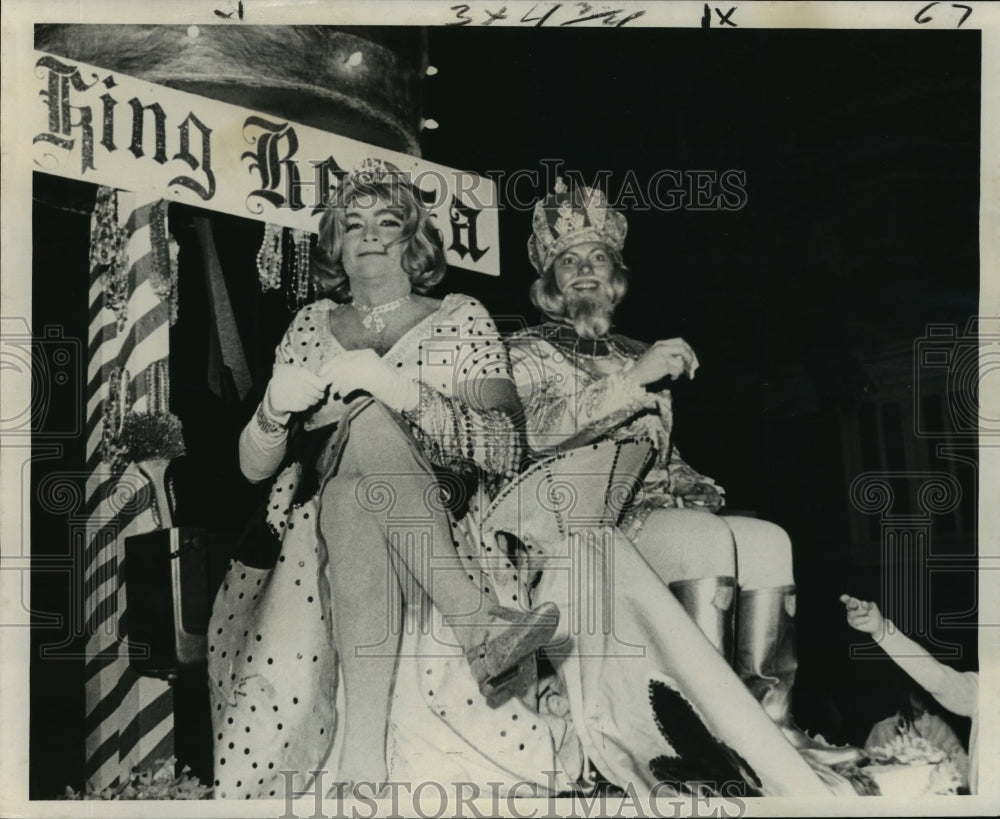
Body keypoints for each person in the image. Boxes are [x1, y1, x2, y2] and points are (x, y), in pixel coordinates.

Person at [476, 179, 865, 796]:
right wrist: (635, 378)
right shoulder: (522, 352)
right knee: (704, 540)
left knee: (766, 540)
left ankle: (769, 724)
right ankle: (699, 738)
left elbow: (661, 456)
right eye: (568, 261)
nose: (584, 271)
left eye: (597, 259)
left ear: (616, 277)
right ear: (548, 280)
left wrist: (690, 482)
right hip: (570, 526)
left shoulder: (637, 351)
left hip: (649, 517)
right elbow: (531, 442)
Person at [207, 159, 561, 798]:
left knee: (370, 427)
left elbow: (508, 447)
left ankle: (362, 762)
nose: (369, 233)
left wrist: (403, 394)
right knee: (347, 495)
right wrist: (270, 413)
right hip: (317, 524)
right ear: (335, 243)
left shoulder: (460, 315)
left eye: (387, 221)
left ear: (413, 239)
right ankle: (479, 627)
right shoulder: (310, 325)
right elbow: (252, 470)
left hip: (441, 511)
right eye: (353, 223)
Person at [841, 594, 978, 793]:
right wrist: (881, 631)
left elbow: (961, 771)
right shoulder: (986, 687)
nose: (919, 698)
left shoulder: (940, 726)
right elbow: (937, 677)